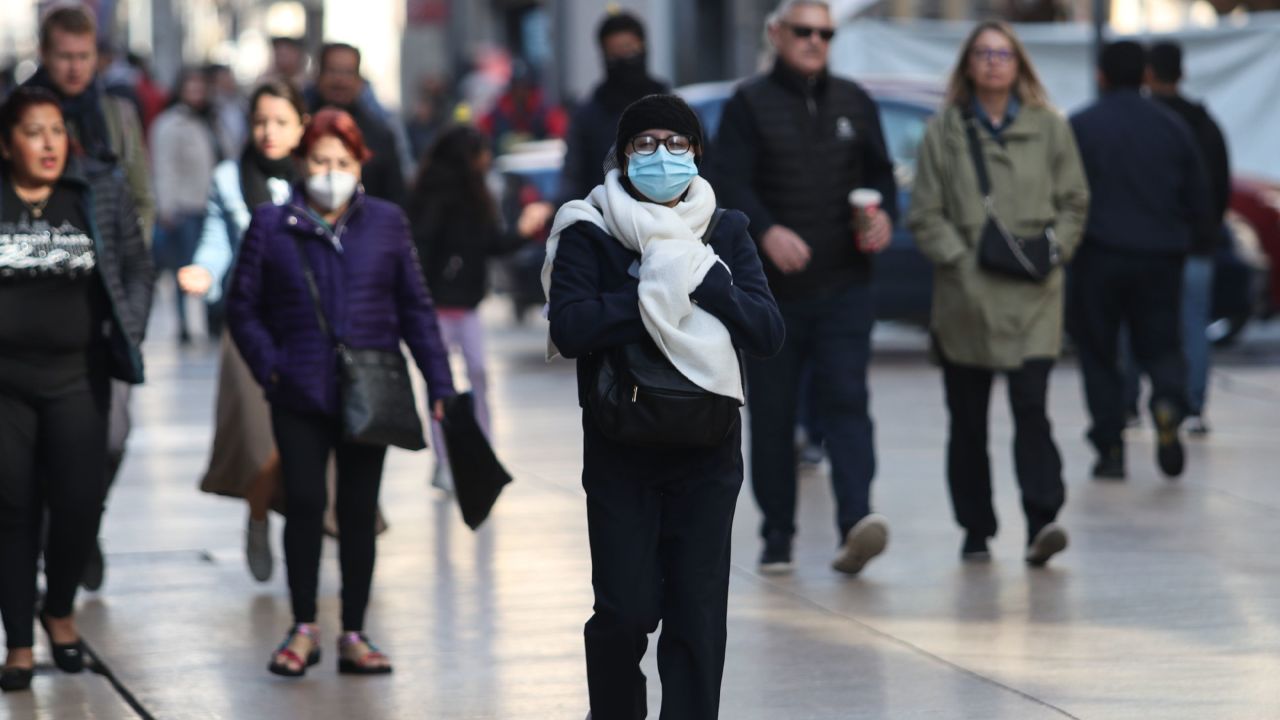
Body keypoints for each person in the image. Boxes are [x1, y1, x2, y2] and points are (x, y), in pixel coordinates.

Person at [546, 93, 783, 720]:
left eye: (676, 144)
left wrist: (709, 288)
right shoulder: (587, 230)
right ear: (622, 156)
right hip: (621, 450)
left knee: (697, 618)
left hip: (706, 451)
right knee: (622, 614)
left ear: (697, 153)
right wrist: (655, 293)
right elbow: (570, 328)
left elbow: (766, 331)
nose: (661, 155)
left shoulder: (725, 229)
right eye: (644, 144)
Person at [226, 108, 455, 677]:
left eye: (343, 161)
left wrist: (440, 382)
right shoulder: (271, 224)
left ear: (360, 165)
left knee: (358, 511)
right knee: (303, 505)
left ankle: (354, 631)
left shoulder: (386, 223)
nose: (331, 171)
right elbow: (242, 307)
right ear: (303, 163)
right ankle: (303, 628)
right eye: (321, 160)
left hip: (369, 388)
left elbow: (416, 309)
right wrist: (272, 368)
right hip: (297, 389)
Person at [711, 0, 898, 575]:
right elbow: (729, 181)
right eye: (804, 31)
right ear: (776, 33)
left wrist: (883, 215)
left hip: (845, 284)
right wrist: (765, 231)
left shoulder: (854, 101)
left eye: (825, 33)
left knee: (847, 401)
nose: (815, 41)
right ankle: (777, 536)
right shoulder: (749, 104)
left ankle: (855, 523)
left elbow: (880, 176)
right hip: (772, 297)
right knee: (773, 415)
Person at [908, 21, 1089, 565]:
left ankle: (1042, 519)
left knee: (1032, 409)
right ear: (967, 65)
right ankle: (976, 528)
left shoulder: (1051, 128)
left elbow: (1075, 201)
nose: (993, 63)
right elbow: (925, 213)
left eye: (1003, 54)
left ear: (1019, 65)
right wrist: (960, 262)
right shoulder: (944, 131)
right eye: (983, 53)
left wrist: (1055, 250)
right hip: (965, 297)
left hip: (1034, 294)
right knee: (968, 420)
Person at [0, 87, 152, 693]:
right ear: (6, 142)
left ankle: (58, 612)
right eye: (33, 132)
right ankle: (17, 641)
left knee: (78, 505)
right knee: (10, 512)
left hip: (78, 378)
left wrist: (130, 329)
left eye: (57, 131)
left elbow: (139, 266)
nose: (48, 144)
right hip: (4, 388)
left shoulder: (95, 192)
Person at [24, 3, 156, 592]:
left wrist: (129, 291)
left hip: (106, 311)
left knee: (113, 434)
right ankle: (59, 532)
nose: (75, 68)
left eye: (84, 57)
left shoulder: (116, 115)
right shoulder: (20, 113)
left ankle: (82, 523)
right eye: (64, 57)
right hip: (36, 310)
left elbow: (141, 201)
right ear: (45, 56)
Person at [176, 80, 306, 582]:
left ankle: (302, 529)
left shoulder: (318, 173)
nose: (269, 133)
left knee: (304, 443)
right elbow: (217, 240)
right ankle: (257, 517)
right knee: (259, 442)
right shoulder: (230, 179)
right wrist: (204, 273)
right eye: (260, 122)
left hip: (308, 327)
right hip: (250, 326)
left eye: (280, 122)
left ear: (301, 126)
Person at [1069, 41, 1213, 481]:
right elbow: (1199, 199)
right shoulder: (1172, 128)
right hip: (1159, 257)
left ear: (1101, 75)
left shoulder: (1081, 127)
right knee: (1161, 344)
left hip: (1098, 256)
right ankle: (1169, 401)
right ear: (1146, 75)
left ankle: (1111, 445)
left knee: (1099, 353)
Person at [409, 125, 546, 490]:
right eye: (481, 153)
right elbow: (421, 251)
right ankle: (444, 461)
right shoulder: (432, 200)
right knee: (442, 386)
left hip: (466, 307)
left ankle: (479, 454)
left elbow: (492, 244)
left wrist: (523, 231)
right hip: (438, 308)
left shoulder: (477, 196)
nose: (487, 160)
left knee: (478, 376)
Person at [1144, 41, 1230, 436]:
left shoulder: (1145, 120)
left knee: (1134, 323)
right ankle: (1193, 407)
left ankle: (1131, 405)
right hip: (1195, 243)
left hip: (1148, 243)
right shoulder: (1202, 123)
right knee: (1194, 324)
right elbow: (1221, 186)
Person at [557, 10, 668, 205]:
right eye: (615, 53)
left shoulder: (672, 109)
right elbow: (573, 181)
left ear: (643, 48)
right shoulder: (587, 118)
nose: (624, 58)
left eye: (629, 49)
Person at [151, 67, 220, 342]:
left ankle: (212, 320)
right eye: (191, 87)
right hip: (184, 207)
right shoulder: (170, 124)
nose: (197, 94)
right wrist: (166, 206)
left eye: (201, 88)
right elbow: (163, 167)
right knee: (184, 269)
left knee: (210, 267)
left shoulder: (211, 120)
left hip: (210, 204)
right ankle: (184, 325)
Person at [308, 43, 407, 207]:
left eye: (348, 72)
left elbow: (395, 197)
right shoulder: (299, 126)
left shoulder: (380, 135)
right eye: (332, 71)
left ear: (359, 80)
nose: (339, 80)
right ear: (318, 76)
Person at [477, 60, 568, 155]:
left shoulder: (545, 112)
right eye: (516, 86)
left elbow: (561, 134)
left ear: (531, 88)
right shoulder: (499, 112)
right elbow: (481, 132)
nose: (520, 92)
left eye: (524, 87)